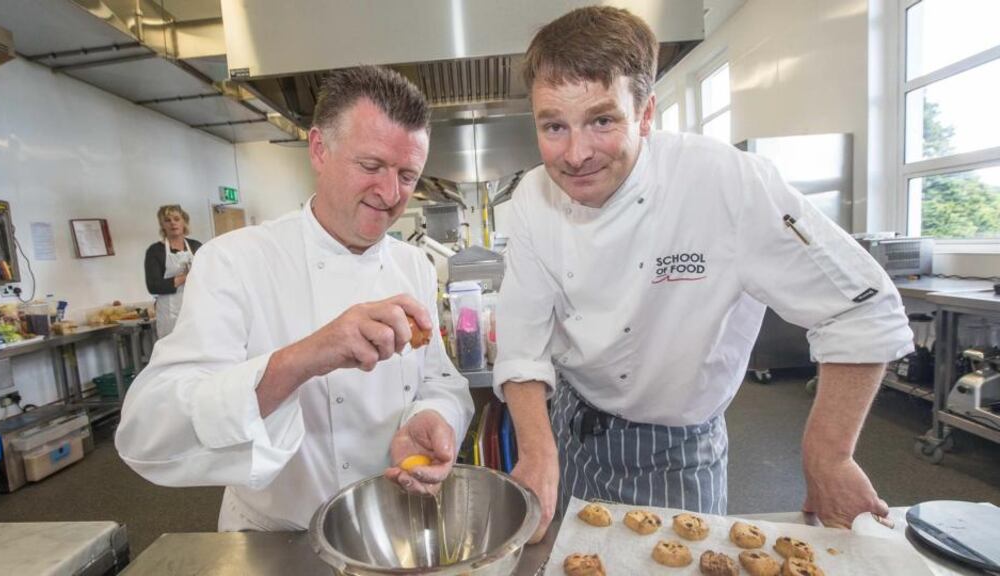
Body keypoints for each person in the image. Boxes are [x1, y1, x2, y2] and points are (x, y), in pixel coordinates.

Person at [494, 6, 913, 542]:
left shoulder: (725, 183)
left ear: (646, 114)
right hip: (575, 429)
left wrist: (827, 455)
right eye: (554, 126)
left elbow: (863, 307)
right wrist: (536, 452)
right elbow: (524, 340)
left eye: (602, 120)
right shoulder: (533, 196)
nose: (575, 155)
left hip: (679, 450)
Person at [117, 66, 474, 531]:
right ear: (319, 149)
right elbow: (148, 430)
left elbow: (439, 381)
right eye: (370, 166)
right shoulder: (236, 260)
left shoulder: (415, 267)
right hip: (274, 539)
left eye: (407, 175)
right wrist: (307, 356)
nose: (390, 194)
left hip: (391, 527)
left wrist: (432, 416)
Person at [144, 205, 202, 338]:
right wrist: (184, 277)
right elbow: (154, 286)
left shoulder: (196, 246)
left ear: (184, 222)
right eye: (167, 220)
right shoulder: (155, 251)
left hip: (196, 309)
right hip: (170, 316)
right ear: (162, 225)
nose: (173, 223)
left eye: (176, 219)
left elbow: (208, 275)